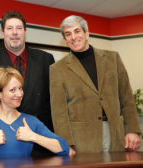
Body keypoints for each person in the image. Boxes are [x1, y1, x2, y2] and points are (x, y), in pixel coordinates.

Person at [50, 15, 141, 153]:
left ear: (87, 34)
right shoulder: (57, 69)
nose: (73, 37)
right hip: (82, 140)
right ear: (65, 40)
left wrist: (133, 130)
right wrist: (65, 143)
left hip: (116, 134)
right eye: (68, 34)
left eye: (77, 31)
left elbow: (126, 97)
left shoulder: (113, 58)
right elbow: (59, 113)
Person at [0, 11, 55, 133]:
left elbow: (54, 100)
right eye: (10, 28)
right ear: (2, 33)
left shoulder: (45, 59)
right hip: (4, 134)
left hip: (40, 135)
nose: (15, 32)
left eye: (19, 28)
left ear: (25, 32)